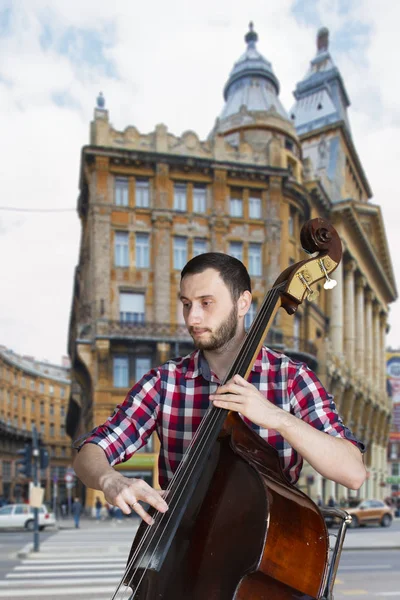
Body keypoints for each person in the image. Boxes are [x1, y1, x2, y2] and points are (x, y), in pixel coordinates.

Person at [73, 253, 366, 526]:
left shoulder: (291, 378)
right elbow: (91, 451)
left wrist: (278, 418)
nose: (192, 318)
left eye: (206, 303)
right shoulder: (164, 382)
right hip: (180, 549)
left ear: (242, 303)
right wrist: (109, 479)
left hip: (267, 551)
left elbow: (353, 473)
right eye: (186, 304)